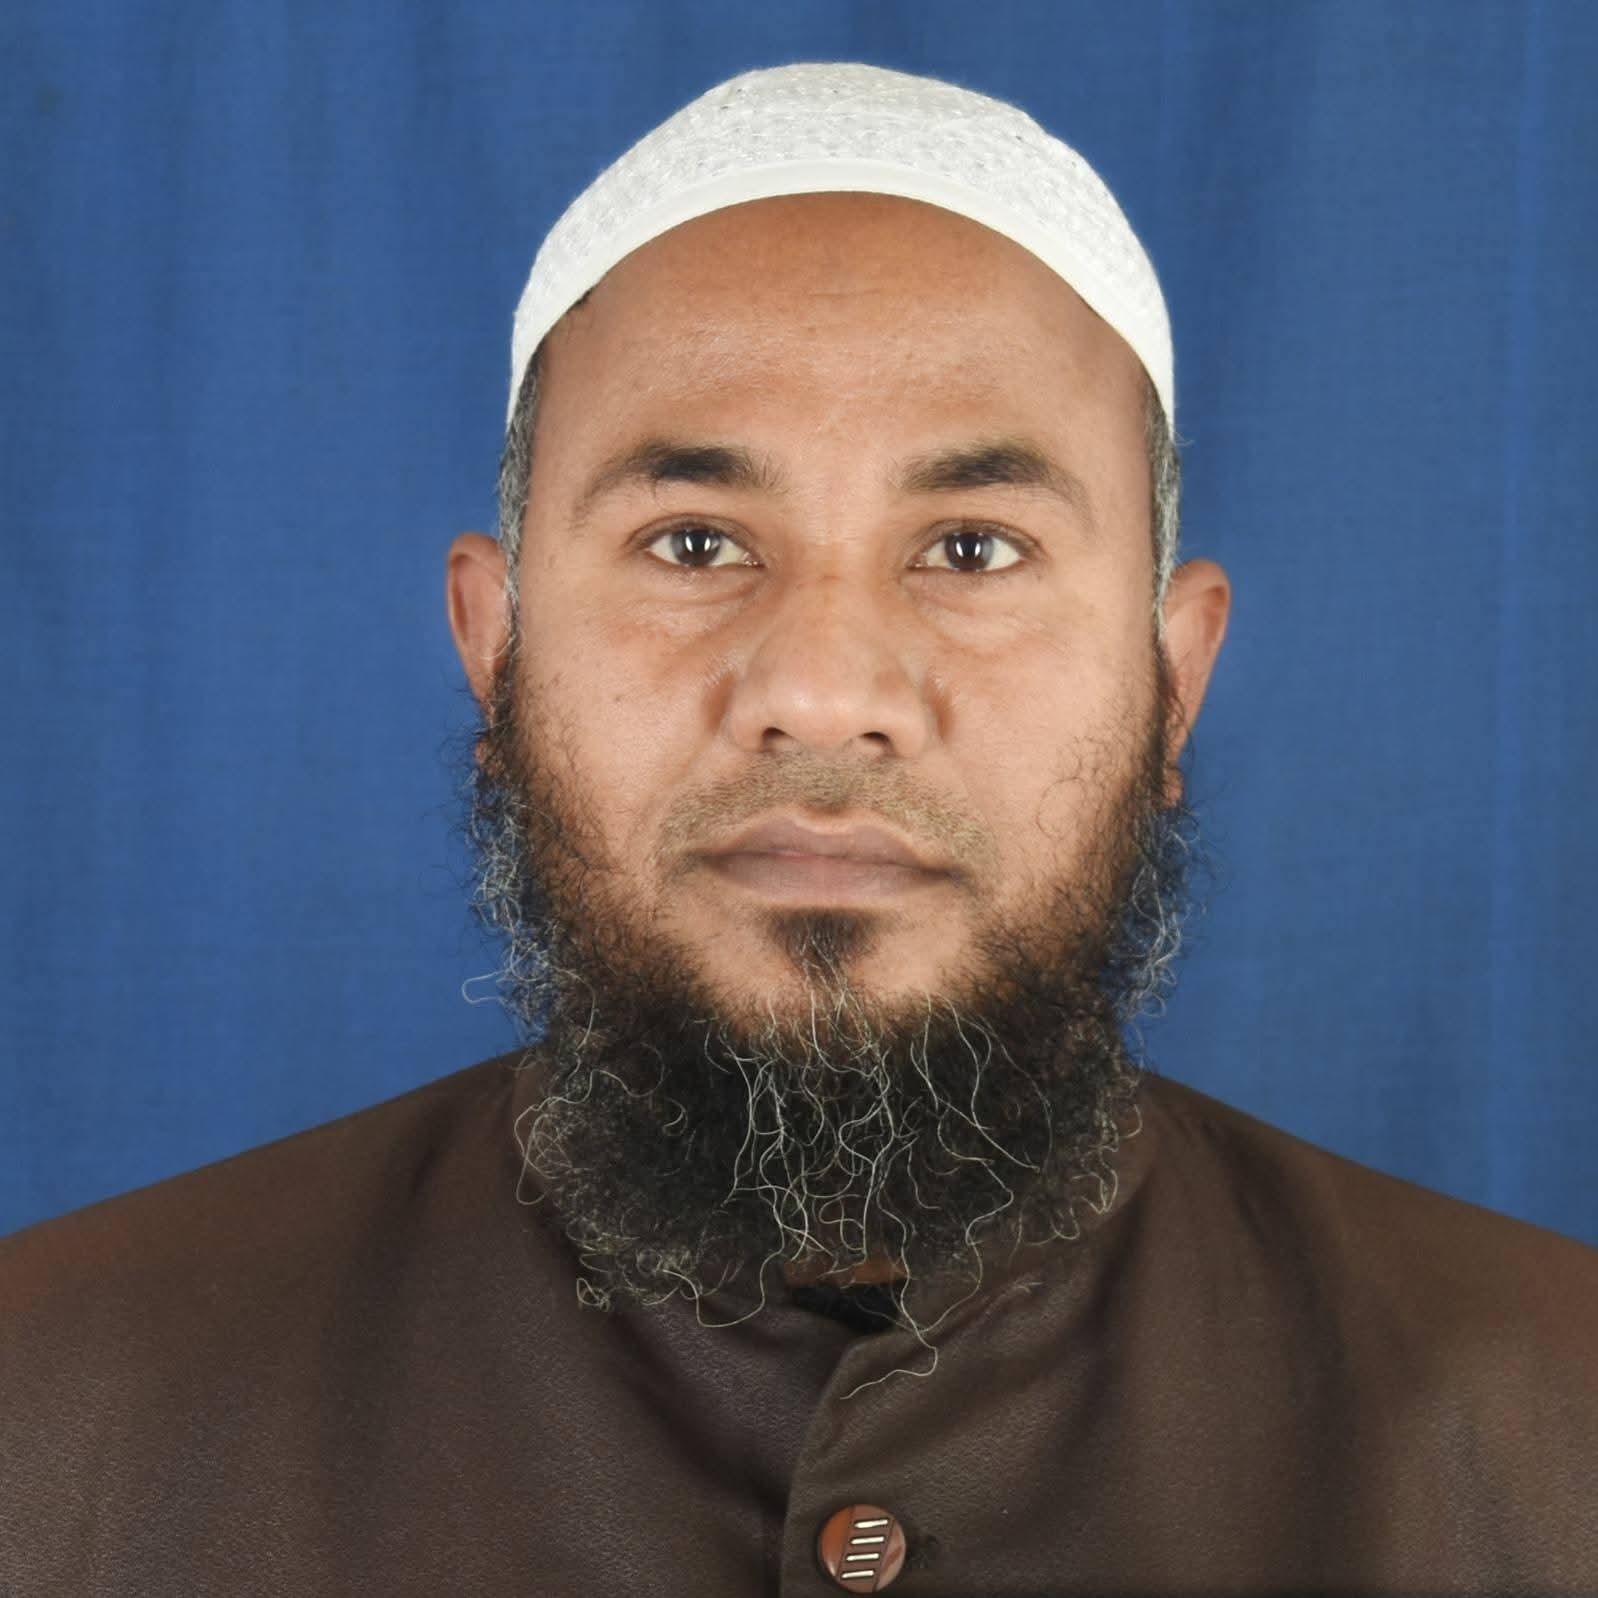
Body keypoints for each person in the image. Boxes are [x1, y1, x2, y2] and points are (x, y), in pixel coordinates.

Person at [3, 61, 1594, 1597]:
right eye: (695, 542)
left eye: (971, 549)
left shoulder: (1552, 1423)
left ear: (1171, 680)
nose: (824, 696)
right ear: (496, 647)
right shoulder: (49, 1406)